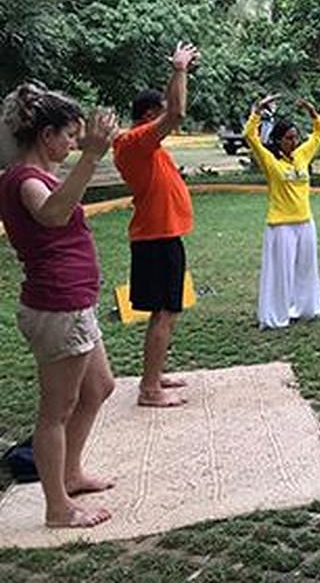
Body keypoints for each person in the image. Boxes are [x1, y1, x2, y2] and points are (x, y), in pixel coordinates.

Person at [0, 84, 118, 527]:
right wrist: (90, 158)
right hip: (57, 306)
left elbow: (61, 203)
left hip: (73, 302)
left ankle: (70, 474)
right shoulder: (26, 180)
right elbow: (51, 214)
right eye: (68, 136)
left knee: (99, 387)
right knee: (56, 411)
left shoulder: (40, 174)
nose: (72, 145)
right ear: (45, 135)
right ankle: (57, 507)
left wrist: (88, 153)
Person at [112, 43, 199, 408]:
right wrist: (180, 69)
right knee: (164, 311)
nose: (168, 124)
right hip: (155, 237)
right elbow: (176, 112)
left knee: (165, 311)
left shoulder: (145, 146)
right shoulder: (134, 143)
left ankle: (154, 374)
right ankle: (149, 389)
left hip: (163, 235)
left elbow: (172, 110)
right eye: (159, 116)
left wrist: (177, 78)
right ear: (149, 115)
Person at [243, 94, 320, 328]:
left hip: (305, 221)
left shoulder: (302, 156)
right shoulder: (270, 161)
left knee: (306, 269)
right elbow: (250, 136)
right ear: (279, 140)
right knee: (280, 273)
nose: (294, 142)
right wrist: (258, 111)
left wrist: (313, 113)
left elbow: (319, 135)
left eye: (296, 137)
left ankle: (306, 308)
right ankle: (275, 315)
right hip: (281, 225)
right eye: (289, 138)